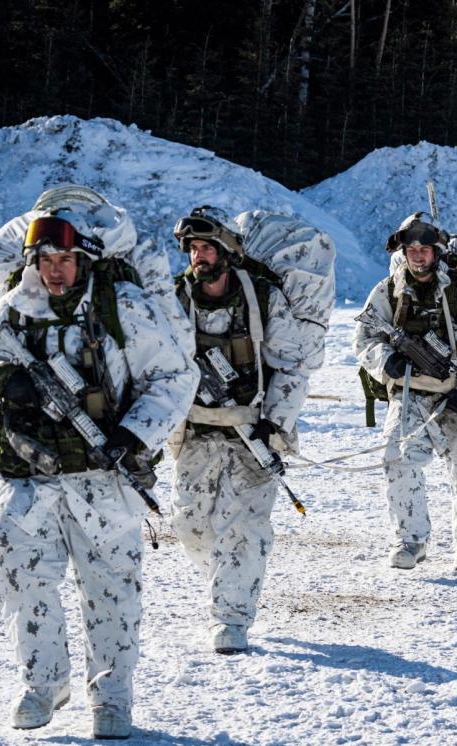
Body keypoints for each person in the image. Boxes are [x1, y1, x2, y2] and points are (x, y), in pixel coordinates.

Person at [0, 202, 197, 739]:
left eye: (65, 258)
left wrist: (134, 435)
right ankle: (44, 683)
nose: (54, 270)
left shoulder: (123, 307)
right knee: (17, 572)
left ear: (84, 259)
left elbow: (174, 376)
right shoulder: (16, 307)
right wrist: (3, 383)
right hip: (30, 476)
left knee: (112, 589)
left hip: (103, 476)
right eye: (44, 258)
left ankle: (111, 696)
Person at [168, 206, 320, 654]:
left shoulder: (263, 298)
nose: (198, 256)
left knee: (244, 527)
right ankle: (226, 578)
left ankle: (230, 617)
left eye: (206, 248)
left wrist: (276, 422)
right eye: (193, 249)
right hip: (195, 429)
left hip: (251, 431)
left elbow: (291, 365)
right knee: (190, 525)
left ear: (228, 251)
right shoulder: (176, 298)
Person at [353, 213, 457, 571]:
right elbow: (363, 337)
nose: (418, 256)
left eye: (424, 249)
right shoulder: (387, 290)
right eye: (411, 249)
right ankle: (410, 539)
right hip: (410, 393)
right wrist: (384, 360)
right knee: (397, 459)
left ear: (436, 252)